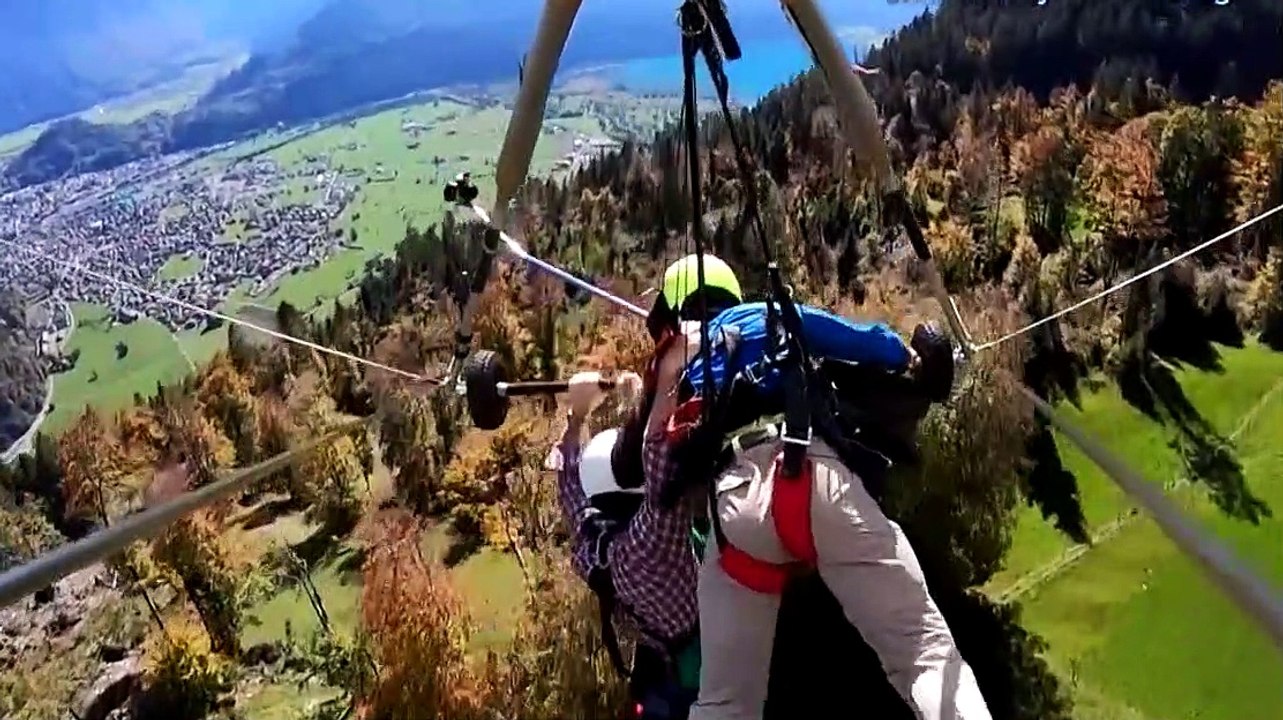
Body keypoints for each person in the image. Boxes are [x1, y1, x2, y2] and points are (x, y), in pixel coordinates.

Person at [638, 267, 993, 719]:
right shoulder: (763, 316)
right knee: (922, 649)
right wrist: (906, 355)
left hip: (736, 515)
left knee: (724, 704)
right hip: (811, 477)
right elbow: (858, 340)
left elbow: (656, 457)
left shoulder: (678, 367)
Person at [548, 253, 748, 719]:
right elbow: (658, 454)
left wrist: (576, 416)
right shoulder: (655, 535)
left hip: (666, 672)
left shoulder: (596, 555)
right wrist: (661, 380)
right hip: (714, 659)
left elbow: (571, 493)